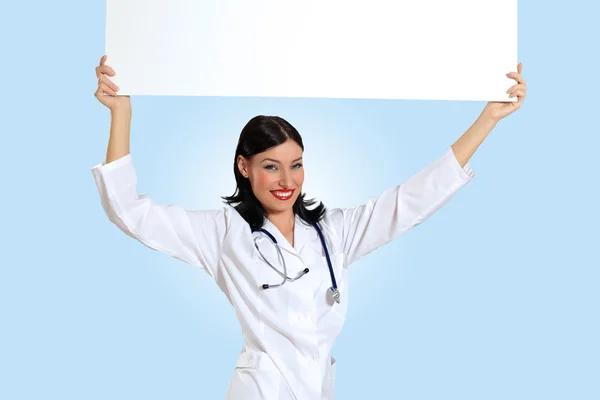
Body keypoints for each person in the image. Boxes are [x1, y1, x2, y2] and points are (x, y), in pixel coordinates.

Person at [92, 55, 527, 400]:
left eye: (296, 165)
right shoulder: (222, 234)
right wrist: (121, 113)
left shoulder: (333, 232)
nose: (287, 182)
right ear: (244, 168)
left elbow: (410, 201)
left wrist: (489, 118)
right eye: (271, 167)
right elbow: (129, 211)